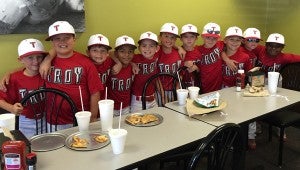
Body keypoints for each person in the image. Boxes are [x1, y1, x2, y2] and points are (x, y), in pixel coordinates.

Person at [44, 21, 103, 129]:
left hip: (80, 119)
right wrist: (9, 74)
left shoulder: (86, 63)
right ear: (52, 42)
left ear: (74, 39)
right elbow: (30, 67)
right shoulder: (45, 62)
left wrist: (93, 118)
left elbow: (95, 92)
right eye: (57, 38)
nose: (62, 41)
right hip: (53, 120)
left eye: (66, 37)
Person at [0, 38, 47, 138]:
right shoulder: (14, 79)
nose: (36, 61)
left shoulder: (46, 73)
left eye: (39, 57)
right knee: (27, 146)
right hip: (25, 121)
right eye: (30, 58)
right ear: (21, 60)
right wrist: (11, 108)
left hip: (45, 118)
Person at [106, 35, 136, 116]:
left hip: (126, 107)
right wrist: (118, 62)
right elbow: (108, 52)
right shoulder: (110, 64)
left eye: (130, 52)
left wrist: (133, 64)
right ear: (116, 53)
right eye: (122, 51)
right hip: (110, 108)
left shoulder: (132, 66)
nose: (126, 55)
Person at [130, 31, 160, 112]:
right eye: (144, 46)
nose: (147, 49)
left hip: (153, 100)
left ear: (157, 48)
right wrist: (132, 63)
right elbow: (113, 54)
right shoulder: (135, 58)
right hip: (137, 102)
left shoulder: (157, 56)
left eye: (151, 46)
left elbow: (169, 46)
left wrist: (179, 48)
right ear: (139, 48)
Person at [194, 22, 224, 93]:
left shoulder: (220, 44)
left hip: (218, 86)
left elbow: (233, 42)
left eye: (214, 38)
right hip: (203, 86)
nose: (211, 40)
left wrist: (227, 59)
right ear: (202, 36)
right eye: (208, 37)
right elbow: (184, 48)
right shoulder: (197, 49)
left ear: (218, 39)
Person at [157, 22, 183, 104]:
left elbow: (181, 73)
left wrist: (177, 90)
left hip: (175, 90)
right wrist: (163, 96)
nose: (169, 40)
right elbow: (155, 77)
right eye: (166, 36)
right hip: (159, 92)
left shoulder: (179, 53)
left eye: (172, 37)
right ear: (160, 37)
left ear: (175, 40)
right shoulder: (156, 52)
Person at [180, 24, 201, 88]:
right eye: (186, 36)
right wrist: (183, 64)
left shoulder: (199, 52)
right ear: (181, 39)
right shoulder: (178, 52)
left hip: (195, 86)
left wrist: (196, 68)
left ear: (196, 38)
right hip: (181, 87)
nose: (189, 39)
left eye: (192, 36)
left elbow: (202, 70)